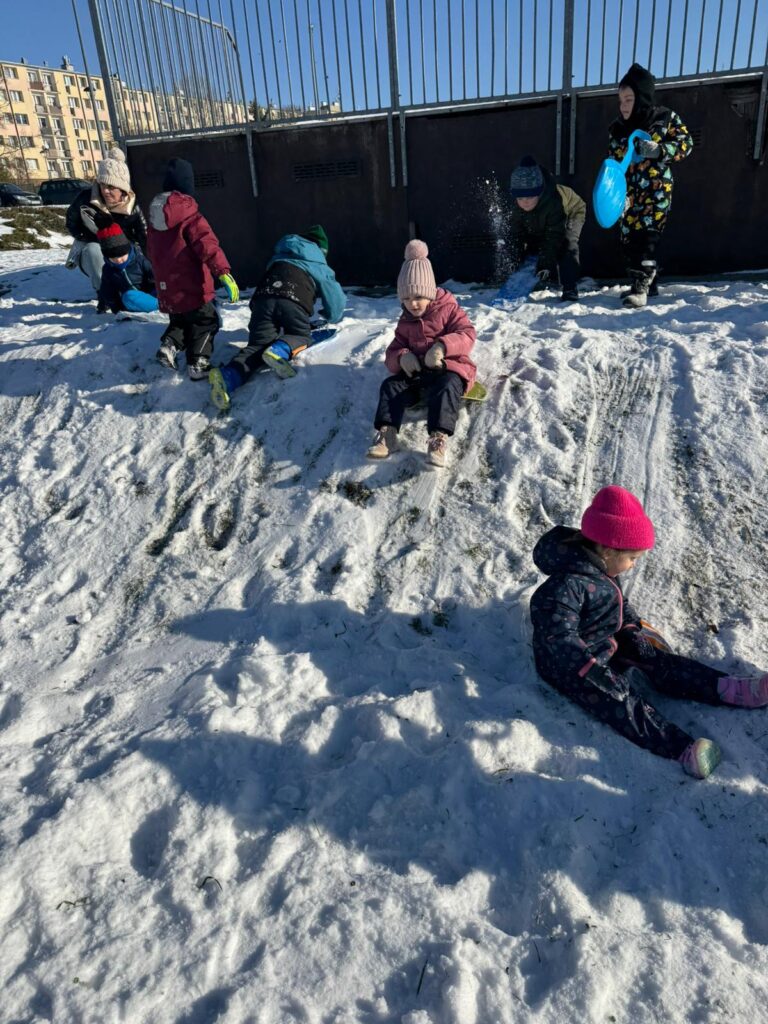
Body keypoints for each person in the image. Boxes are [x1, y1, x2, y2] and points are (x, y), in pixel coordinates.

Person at [530, 486, 768, 779]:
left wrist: (631, 630)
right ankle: (682, 749)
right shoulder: (564, 587)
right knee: (619, 699)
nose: (633, 565)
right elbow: (557, 638)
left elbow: (620, 605)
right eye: (633, 558)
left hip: (607, 640)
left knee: (657, 659)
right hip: (574, 667)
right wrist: (591, 669)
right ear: (607, 549)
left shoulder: (602, 570)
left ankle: (730, 688)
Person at [208, 225, 345, 410]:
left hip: (262, 302)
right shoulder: (318, 263)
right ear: (321, 250)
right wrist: (331, 316)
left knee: (257, 346)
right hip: (293, 301)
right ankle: (279, 351)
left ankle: (228, 376)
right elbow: (334, 296)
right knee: (300, 334)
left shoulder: (278, 258)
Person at [367, 240, 477, 469]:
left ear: (429, 292)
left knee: (448, 385)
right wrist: (402, 357)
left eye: (417, 296)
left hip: (446, 369)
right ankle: (387, 435)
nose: (412, 303)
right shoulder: (405, 320)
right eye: (406, 299)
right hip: (417, 377)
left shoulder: (448, 310)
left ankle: (438, 438)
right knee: (390, 386)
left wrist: (442, 348)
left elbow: (467, 334)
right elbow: (393, 350)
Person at [609, 63, 693, 308]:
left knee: (647, 238)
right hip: (629, 194)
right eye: (620, 100)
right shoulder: (617, 129)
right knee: (628, 240)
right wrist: (615, 191)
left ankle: (641, 288)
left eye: (629, 99)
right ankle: (649, 285)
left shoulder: (664, 118)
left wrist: (661, 150)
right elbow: (614, 162)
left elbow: (686, 143)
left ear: (643, 97)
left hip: (656, 190)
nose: (623, 106)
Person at [146, 158, 239, 380]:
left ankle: (168, 347)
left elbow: (151, 251)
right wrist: (223, 272)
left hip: (167, 286)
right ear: (188, 186)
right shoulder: (191, 217)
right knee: (206, 322)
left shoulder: (154, 220)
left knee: (180, 320)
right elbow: (208, 246)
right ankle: (198, 363)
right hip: (194, 286)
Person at [65, 148, 147, 300]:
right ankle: (104, 294)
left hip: (122, 252)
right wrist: (87, 236)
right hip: (94, 250)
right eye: (103, 185)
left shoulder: (133, 206)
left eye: (111, 187)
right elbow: (71, 221)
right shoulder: (86, 199)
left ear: (123, 189)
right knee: (93, 250)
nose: (106, 191)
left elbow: (144, 236)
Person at [506, 155, 586, 303]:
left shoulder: (554, 202)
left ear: (540, 192)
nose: (525, 203)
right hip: (544, 219)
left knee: (567, 244)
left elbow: (553, 235)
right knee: (534, 240)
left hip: (572, 212)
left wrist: (545, 263)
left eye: (529, 198)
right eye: (520, 199)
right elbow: (516, 232)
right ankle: (546, 272)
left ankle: (570, 287)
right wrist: (516, 258)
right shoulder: (517, 207)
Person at [93, 210, 157, 315]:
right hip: (132, 301)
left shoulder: (140, 261)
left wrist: (155, 292)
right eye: (113, 258)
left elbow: (157, 278)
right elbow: (107, 291)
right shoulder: (108, 270)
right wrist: (115, 308)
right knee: (129, 296)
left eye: (122, 256)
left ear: (128, 251)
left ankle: (161, 305)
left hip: (152, 295)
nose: (118, 260)